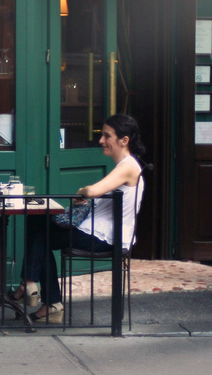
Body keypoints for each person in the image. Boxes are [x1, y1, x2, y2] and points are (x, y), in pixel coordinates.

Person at [10, 114, 145, 323]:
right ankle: (42, 296)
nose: (101, 140)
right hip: (97, 232)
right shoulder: (123, 166)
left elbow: (92, 191)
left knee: (41, 232)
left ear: (124, 140)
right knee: (38, 223)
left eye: (107, 136)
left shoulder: (128, 166)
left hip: (105, 237)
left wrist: (82, 191)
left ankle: (32, 287)